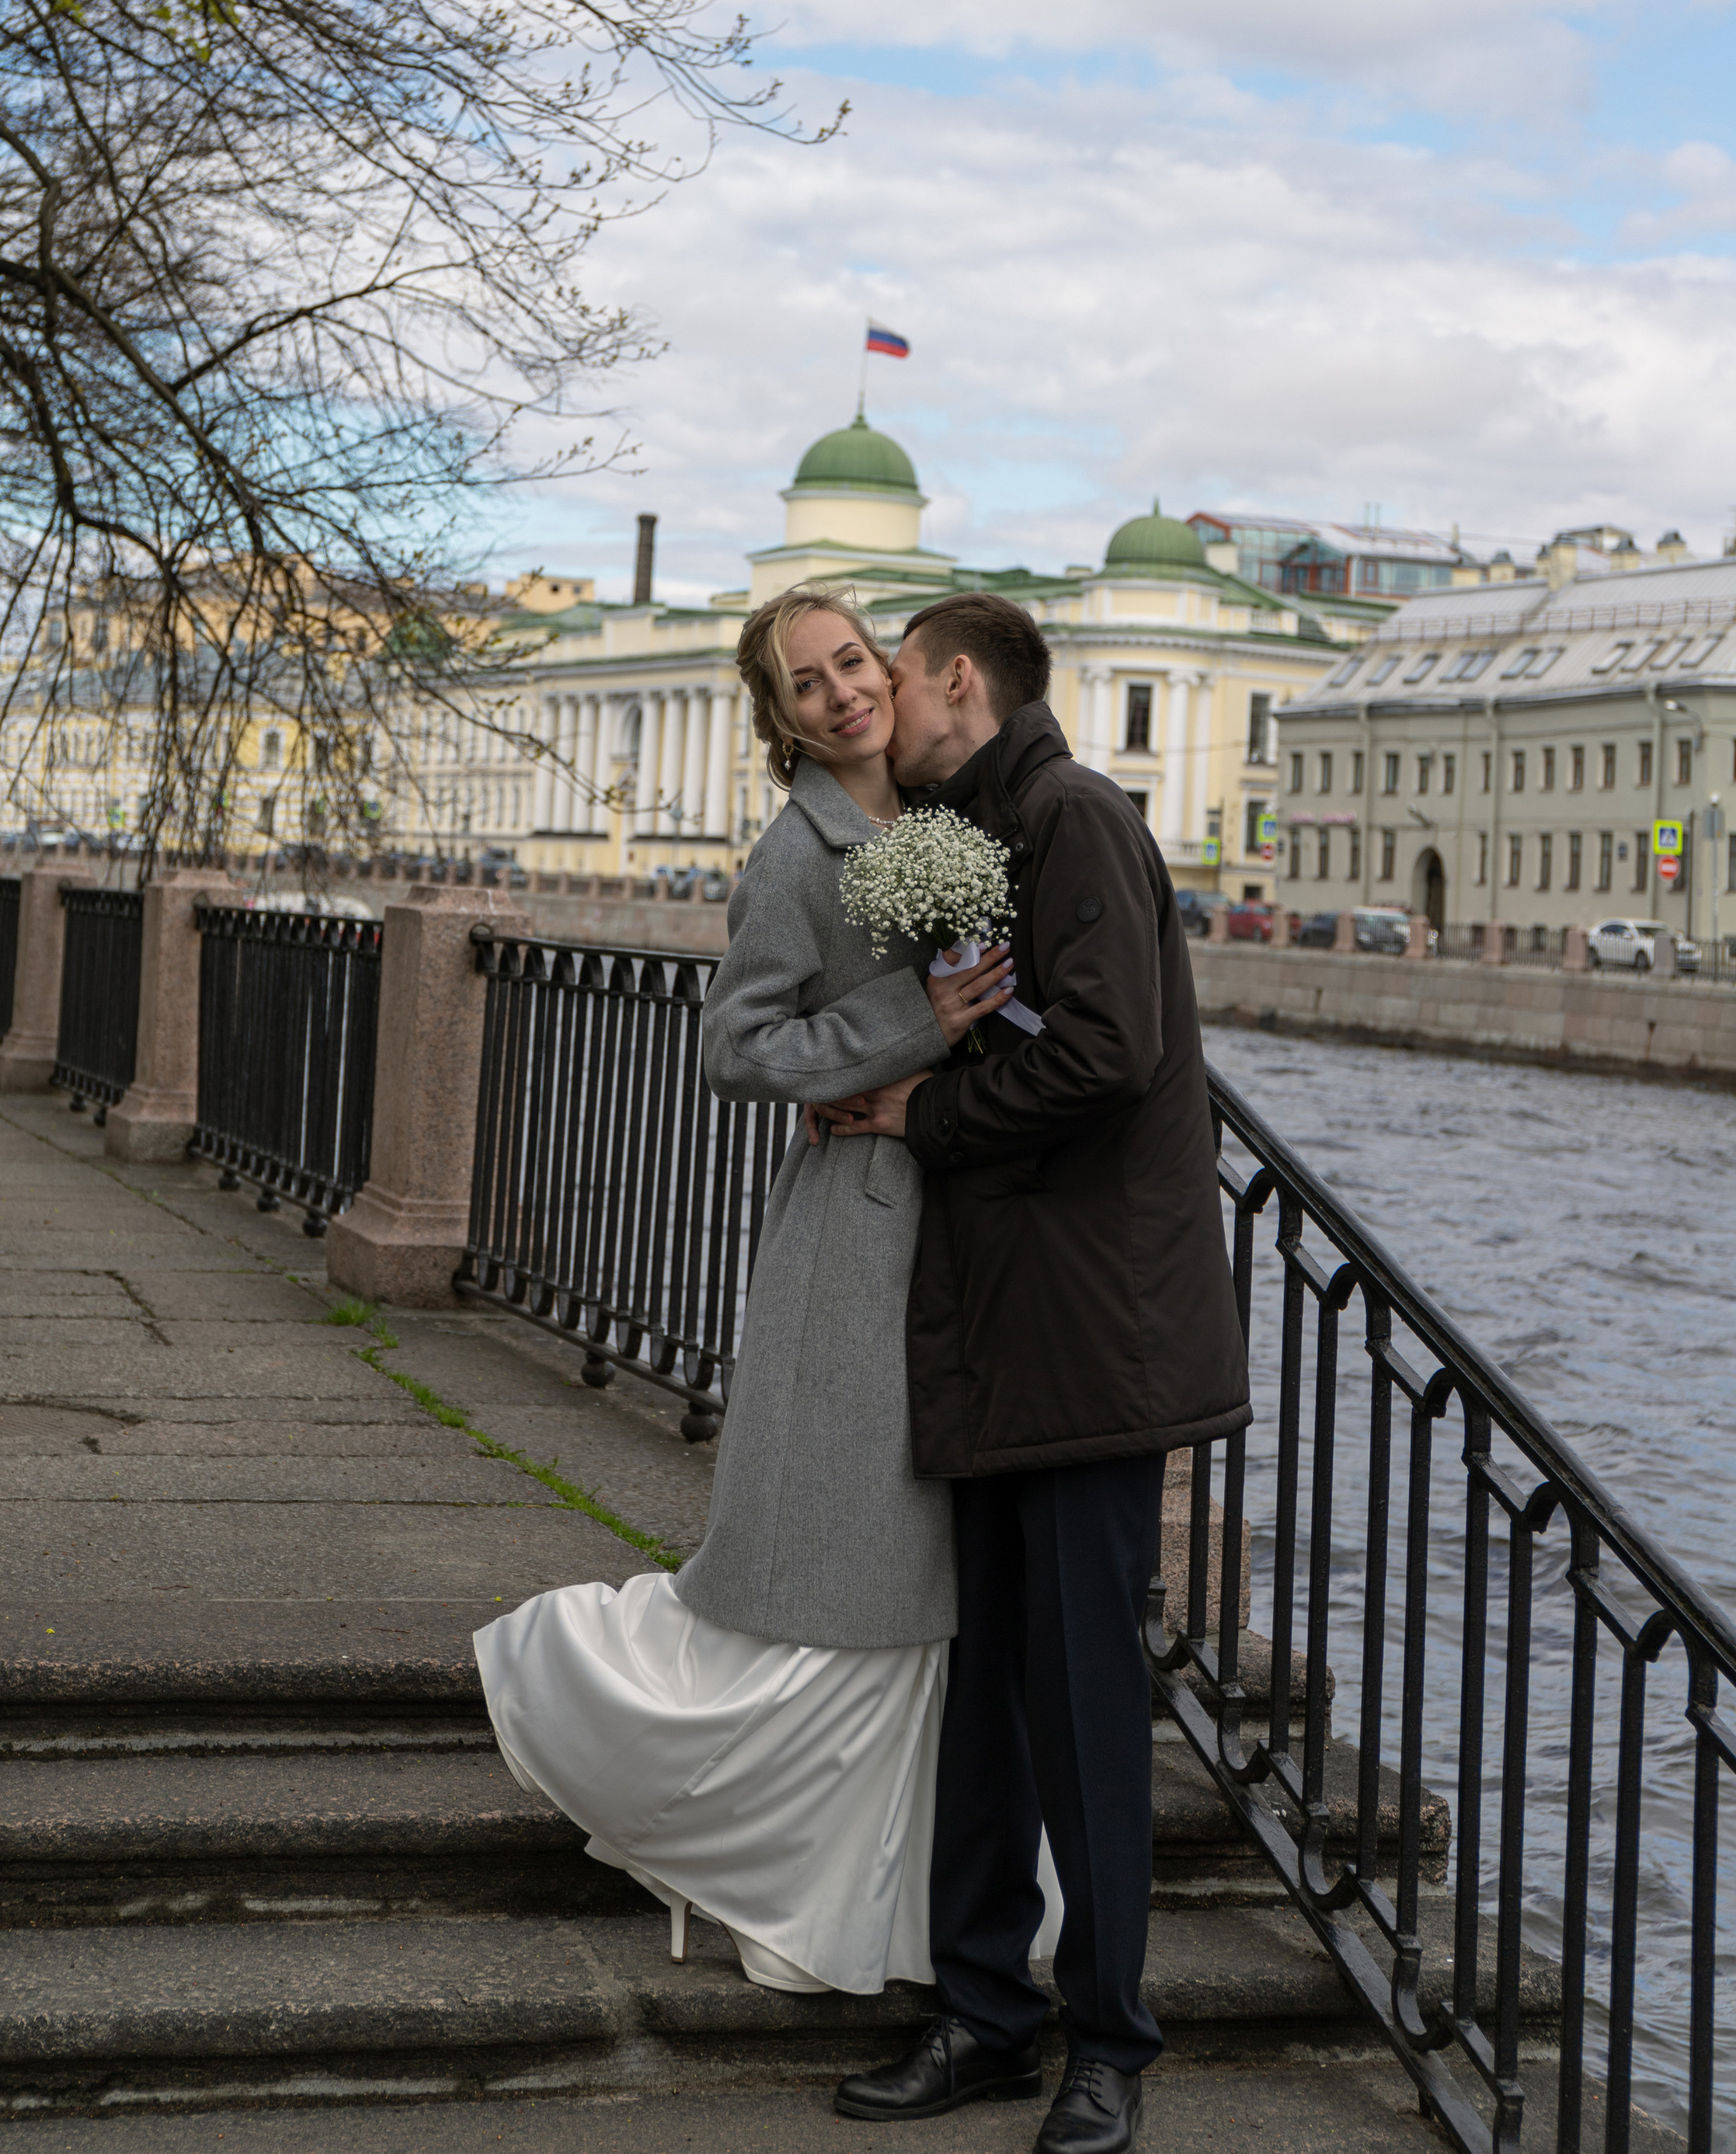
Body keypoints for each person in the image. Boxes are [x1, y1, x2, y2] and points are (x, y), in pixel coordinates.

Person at [473, 584, 1015, 1996]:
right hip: (858, 1241)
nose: (842, 695)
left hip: (958, 1218)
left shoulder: (948, 821)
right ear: (778, 719)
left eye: (853, 665)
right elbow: (733, 1047)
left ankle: (884, 1900)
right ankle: (678, 1769)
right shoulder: (798, 851)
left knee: (917, 1575)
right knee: (850, 1561)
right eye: (808, 685)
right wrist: (909, 1025)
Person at [820, 593, 1252, 2153]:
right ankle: (987, 2016)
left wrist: (916, 1114)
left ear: (956, 677)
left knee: (1074, 1706)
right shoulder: (979, 824)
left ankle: (1107, 2043)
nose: (878, 702)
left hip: (1088, 1341)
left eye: (892, 675)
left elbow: (1105, 1051)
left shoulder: (1067, 816)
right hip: (1006, 1331)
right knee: (988, 1702)